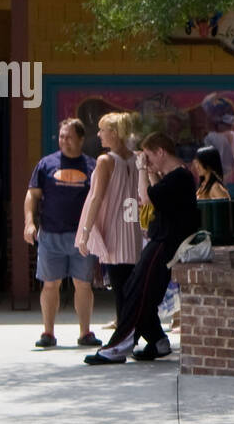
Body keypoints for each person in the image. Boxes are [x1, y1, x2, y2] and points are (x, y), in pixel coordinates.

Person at [83, 132, 199, 365]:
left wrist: (142, 170)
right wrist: (153, 173)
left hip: (164, 243)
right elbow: (158, 198)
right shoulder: (177, 176)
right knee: (142, 293)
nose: (146, 161)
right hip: (162, 241)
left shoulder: (179, 177)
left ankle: (118, 347)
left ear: (160, 152)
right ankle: (157, 341)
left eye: (148, 156)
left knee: (137, 293)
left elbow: (145, 198)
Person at [24, 118, 100, 348]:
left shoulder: (92, 166)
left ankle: (85, 333)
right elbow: (32, 195)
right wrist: (29, 222)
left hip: (82, 237)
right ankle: (48, 333)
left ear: (80, 139)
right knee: (49, 284)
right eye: (61, 136)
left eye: (68, 136)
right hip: (50, 234)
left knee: (83, 284)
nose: (63, 140)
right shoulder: (46, 164)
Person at [76, 113, 143, 321]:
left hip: (114, 232)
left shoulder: (105, 160)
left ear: (114, 133)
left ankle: (124, 335)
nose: (98, 134)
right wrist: (132, 224)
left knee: (120, 288)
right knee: (130, 287)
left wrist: (86, 232)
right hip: (131, 230)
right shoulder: (136, 159)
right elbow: (134, 199)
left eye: (102, 130)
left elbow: (96, 197)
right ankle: (131, 332)